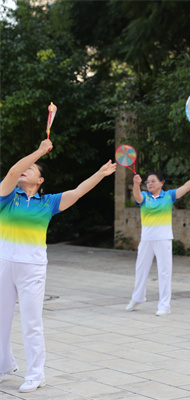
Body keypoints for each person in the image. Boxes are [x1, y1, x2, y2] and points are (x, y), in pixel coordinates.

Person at [0, 139, 116, 393]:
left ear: (40, 180)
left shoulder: (48, 202)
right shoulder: (7, 197)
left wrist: (100, 173)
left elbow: (78, 191)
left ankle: (36, 374)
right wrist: (39, 151)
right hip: (4, 265)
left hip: (32, 268)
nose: (24, 170)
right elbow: (12, 172)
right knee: (1, 319)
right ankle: (3, 365)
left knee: (31, 322)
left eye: (31, 169)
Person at [125, 162, 190, 316]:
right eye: (147, 182)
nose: (149, 184)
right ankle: (137, 298)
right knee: (140, 269)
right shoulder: (145, 197)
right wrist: (136, 184)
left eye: (153, 181)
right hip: (146, 239)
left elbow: (185, 187)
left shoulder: (169, 196)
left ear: (161, 183)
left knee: (164, 272)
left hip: (163, 239)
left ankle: (164, 305)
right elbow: (137, 196)